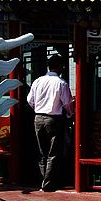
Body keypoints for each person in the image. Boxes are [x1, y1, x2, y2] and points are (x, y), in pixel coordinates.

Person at [26, 54, 74, 191]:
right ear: (59, 67)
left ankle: (43, 180)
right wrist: (71, 114)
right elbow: (67, 104)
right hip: (54, 119)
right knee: (54, 153)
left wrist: (39, 109)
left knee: (42, 152)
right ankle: (48, 184)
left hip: (38, 118)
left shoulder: (37, 81)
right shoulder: (61, 83)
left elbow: (30, 101)